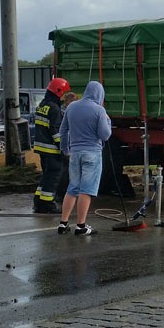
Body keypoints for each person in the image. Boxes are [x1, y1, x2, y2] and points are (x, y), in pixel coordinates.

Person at [57, 81, 111, 235]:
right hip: (92, 154)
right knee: (86, 190)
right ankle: (81, 226)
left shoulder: (72, 107)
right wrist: (107, 120)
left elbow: (63, 130)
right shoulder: (99, 110)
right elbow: (105, 135)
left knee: (73, 187)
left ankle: (63, 223)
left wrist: (65, 149)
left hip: (74, 153)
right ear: (99, 94)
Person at [32, 77, 71, 214]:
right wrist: (63, 148)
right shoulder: (54, 109)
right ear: (58, 91)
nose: (64, 96)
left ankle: (38, 201)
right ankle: (48, 204)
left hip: (42, 149)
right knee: (53, 178)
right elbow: (55, 131)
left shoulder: (42, 105)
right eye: (64, 93)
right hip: (51, 150)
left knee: (46, 176)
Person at [53, 91, 78, 202]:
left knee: (64, 171)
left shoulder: (62, 110)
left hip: (62, 145)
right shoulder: (65, 112)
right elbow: (64, 131)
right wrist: (66, 149)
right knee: (65, 171)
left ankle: (61, 193)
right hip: (64, 146)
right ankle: (61, 194)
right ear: (69, 102)